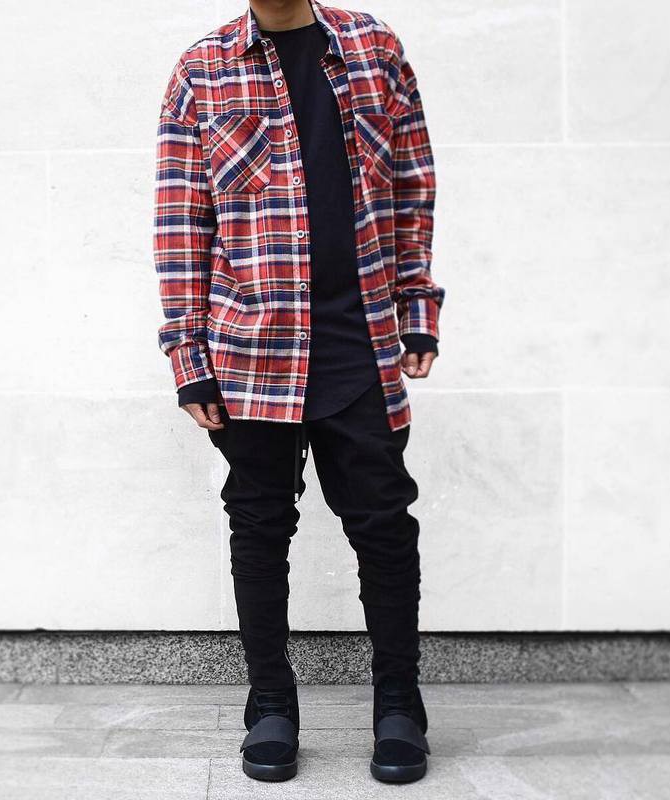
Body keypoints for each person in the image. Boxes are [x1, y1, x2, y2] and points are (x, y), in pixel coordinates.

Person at [153, 0, 444, 784]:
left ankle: (399, 705)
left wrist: (416, 310)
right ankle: (271, 705)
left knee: (384, 524)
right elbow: (182, 222)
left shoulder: (374, 48)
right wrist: (188, 353)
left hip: (359, 340)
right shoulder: (202, 70)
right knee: (259, 525)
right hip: (251, 347)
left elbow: (412, 187)